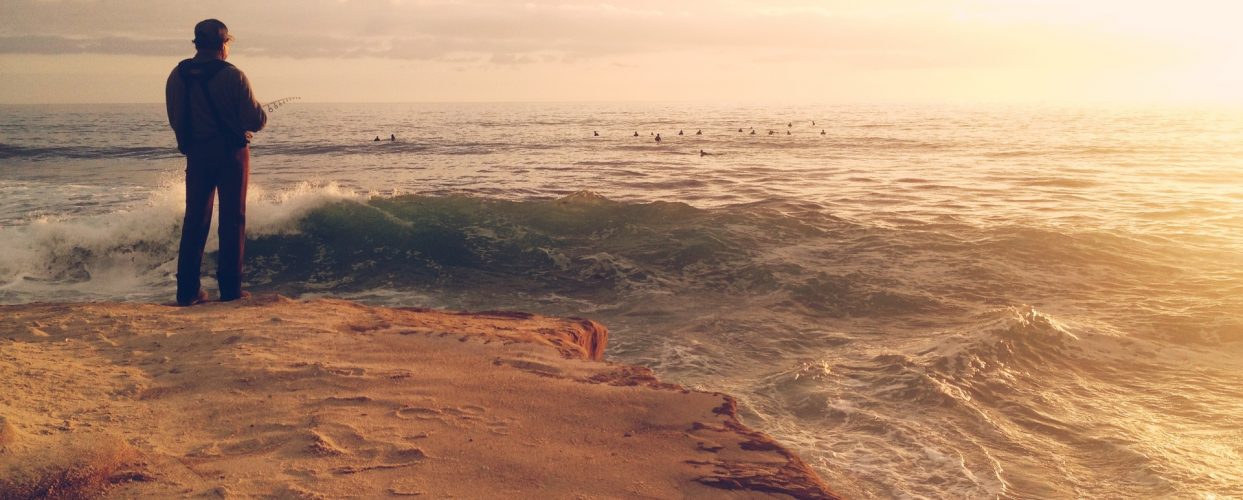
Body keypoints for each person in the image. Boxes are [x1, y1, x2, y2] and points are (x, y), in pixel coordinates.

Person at [165, 19, 266, 306]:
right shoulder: (233, 76)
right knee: (233, 219)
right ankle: (231, 290)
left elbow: (175, 117)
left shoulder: (178, 74)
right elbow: (255, 120)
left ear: (197, 44)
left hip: (196, 154)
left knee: (195, 220)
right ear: (223, 44)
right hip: (231, 155)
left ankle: (187, 291)